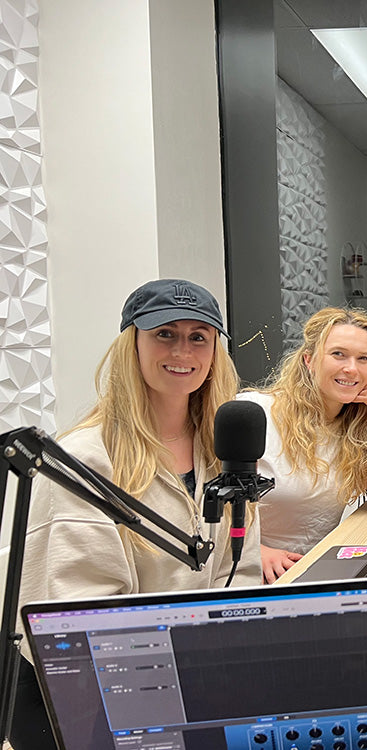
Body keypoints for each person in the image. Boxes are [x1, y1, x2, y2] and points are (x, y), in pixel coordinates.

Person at [12, 279, 261, 750]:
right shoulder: (87, 460)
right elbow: (81, 615)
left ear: (214, 353)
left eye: (198, 336)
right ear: (133, 344)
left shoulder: (225, 451)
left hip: (188, 678)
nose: (182, 350)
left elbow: (240, 573)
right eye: (164, 333)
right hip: (94, 696)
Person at [238, 307, 367, 583]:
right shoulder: (257, 414)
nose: (351, 368)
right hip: (255, 573)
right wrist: (254, 551)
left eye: (363, 359)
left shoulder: (357, 424)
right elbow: (202, 505)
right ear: (309, 360)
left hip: (319, 570)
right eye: (338, 354)